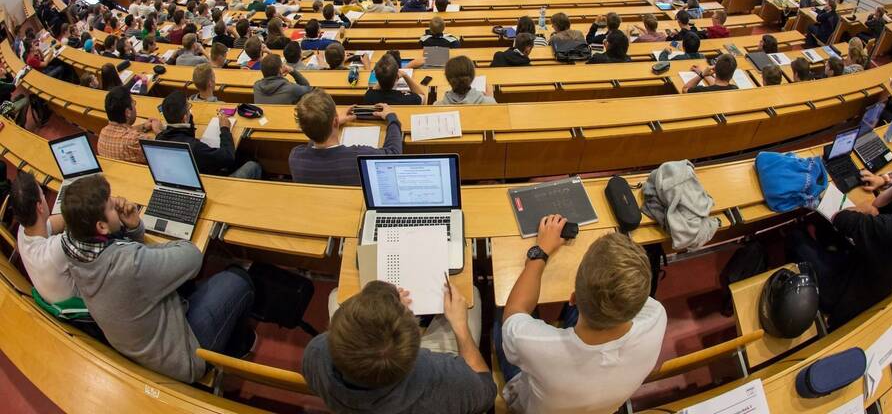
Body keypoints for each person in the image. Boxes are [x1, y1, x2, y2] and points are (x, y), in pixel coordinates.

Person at [61, 174, 256, 382]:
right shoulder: (130, 264)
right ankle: (238, 348)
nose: (117, 202)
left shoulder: (73, 244)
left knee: (184, 281)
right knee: (237, 279)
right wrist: (150, 249)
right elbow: (192, 256)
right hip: (182, 357)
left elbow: (127, 258)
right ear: (101, 227)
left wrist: (133, 227)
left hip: (139, 343)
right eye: (110, 205)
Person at [495, 221, 666, 414]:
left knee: (501, 309)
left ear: (573, 298)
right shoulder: (657, 317)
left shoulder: (530, 343)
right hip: (602, 405)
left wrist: (540, 251)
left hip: (529, 402)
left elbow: (514, 311)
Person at [302, 279, 495, 414]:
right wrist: (460, 326)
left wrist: (388, 309)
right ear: (415, 350)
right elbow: (486, 391)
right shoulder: (443, 377)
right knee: (472, 295)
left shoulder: (317, 354)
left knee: (337, 294)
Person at [788, 155, 892, 328]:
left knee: (795, 237)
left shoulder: (888, 228)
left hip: (843, 292)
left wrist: (864, 209)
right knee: (828, 230)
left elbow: (841, 218)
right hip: (864, 275)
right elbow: (880, 204)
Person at [289, 90, 401, 186]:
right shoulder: (359, 158)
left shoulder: (295, 157)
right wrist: (391, 117)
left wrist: (329, 123)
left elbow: (314, 135)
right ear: (335, 121)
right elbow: (394, 153)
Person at [156, 91, 261, 179]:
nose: (190, 110)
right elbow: (228, 157)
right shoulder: (194, 147)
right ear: (184, 118)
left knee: (241, 155)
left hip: (189, 174)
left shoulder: (160, 138)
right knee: (253, 165)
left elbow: (183, 133)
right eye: (188, 108)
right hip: (211, 183)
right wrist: (224, 128)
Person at [11, 171, 77, 304]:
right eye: (42, 194)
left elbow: (56, 222)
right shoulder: (55, 250)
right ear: (40, 206)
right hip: (83, 307)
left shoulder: (23, 231)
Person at [97, 86, 161, 164]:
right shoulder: (136, 140)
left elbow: (122, 131)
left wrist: (143, 126)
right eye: (133, 102)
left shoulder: (103, 132)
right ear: (127, 112)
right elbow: (164, 154)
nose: (134, 105)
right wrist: (159, 132)